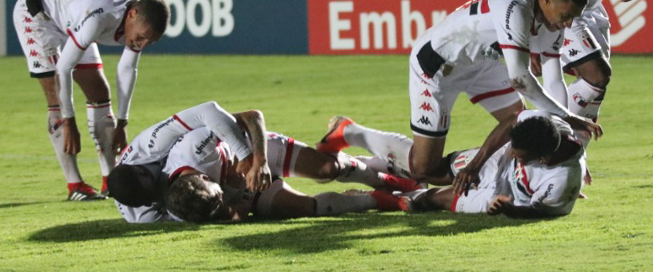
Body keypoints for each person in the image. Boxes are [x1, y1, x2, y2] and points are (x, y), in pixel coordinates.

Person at [353, 0, 600, 196]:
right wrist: (569, 118)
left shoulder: (554, 22)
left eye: (573, 18)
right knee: (423, 167)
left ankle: (540, 181)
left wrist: (570, 143)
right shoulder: (514, 6)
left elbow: (554, 80)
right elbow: (520, 78)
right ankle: (353, 132)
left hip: (483, 65)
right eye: (566, 16)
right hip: (438, 66)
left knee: (521, 124)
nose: (568, 24)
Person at [12, 0, 170, 200]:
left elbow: (127, 68)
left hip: (73, 12)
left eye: (150, 41)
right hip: (37, 13)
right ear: (132, 14)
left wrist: (123, 123)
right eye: (142, 36)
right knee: (55, 94)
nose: (142, 44)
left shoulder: (137, 16)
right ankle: (75, 185)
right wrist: (70, 123)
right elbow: (64, 68)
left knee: (99, 92)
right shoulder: (98, 18)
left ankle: (110, 179)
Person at [319, 110, 587, 218]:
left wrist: (510, 209)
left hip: (505, 196)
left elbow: (543, 212)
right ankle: (350, 132)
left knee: (427, 201)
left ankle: (379, 190)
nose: (515, 154)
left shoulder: (563, 179)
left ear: (542, 159)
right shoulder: (549, 127)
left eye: (521, 155)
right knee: (427, 169)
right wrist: (475, 166)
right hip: (495, 162)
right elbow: (511, 122)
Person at [161, 122, 415, 223]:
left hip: (255, 150)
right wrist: (247, 195)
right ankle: (376, 199)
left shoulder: (196, 146)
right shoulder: (193, 207)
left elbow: (252, 117)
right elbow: (234, 215)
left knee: (326, 168)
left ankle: (387, 180)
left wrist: (258, 162)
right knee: (305, 207)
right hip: (251, 187)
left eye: (219, 193)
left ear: (205, 176)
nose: (222, 197)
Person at [107, 101, 272, 223]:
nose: (155, 197)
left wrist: (245, 156)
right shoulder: (141, 214)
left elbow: (208, 111)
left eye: (152, 190)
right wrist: (233, 210)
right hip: (212, 184)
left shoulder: (151, 145)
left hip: (221, 152)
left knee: (230, 122)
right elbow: (195, 215)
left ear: (142, 170)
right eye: (148, 201)